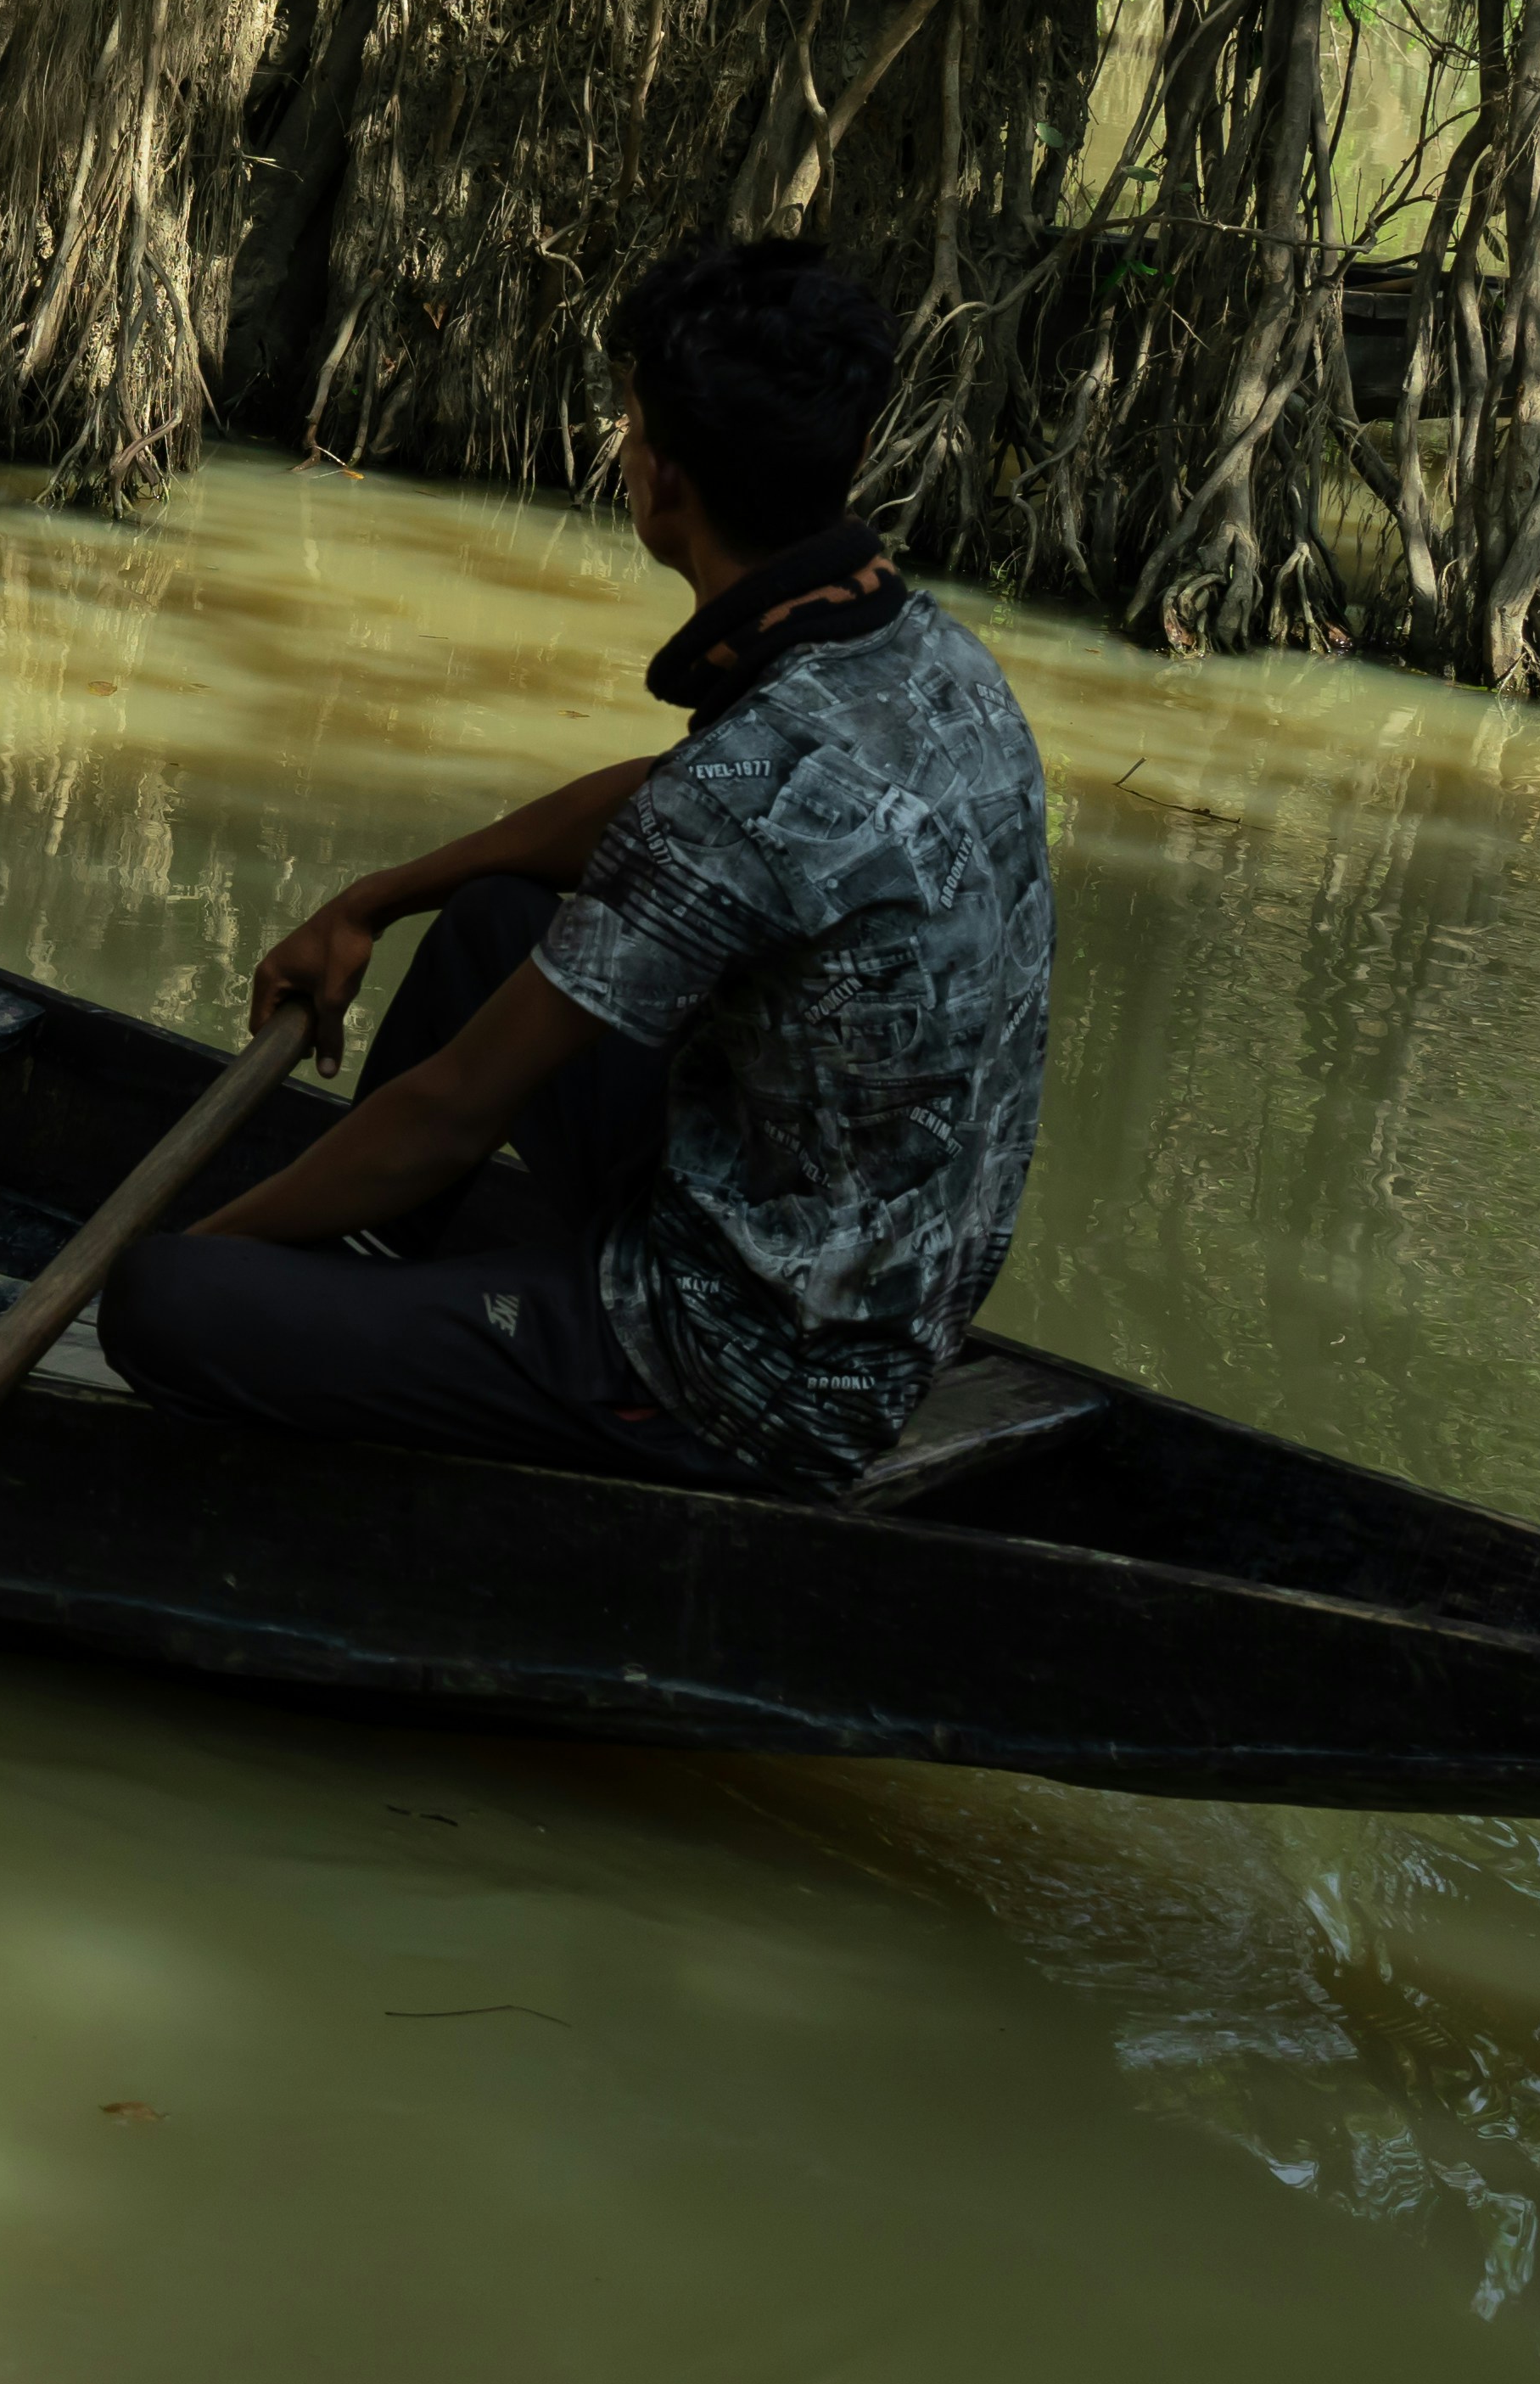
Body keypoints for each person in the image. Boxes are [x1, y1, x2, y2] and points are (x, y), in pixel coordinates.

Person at [103, 239, 1056, 1491]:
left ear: (662, 481)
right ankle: (364, 1293)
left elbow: (448, 1116)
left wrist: (204, 1254)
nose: (622, 448)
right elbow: (666, 802)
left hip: (745, 1382)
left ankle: (316, 1316)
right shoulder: (930, 663)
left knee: (163, 1301)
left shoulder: (742, 784)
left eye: (626, 426)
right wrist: (377, 898)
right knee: (495, 919)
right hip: (859, 1287)